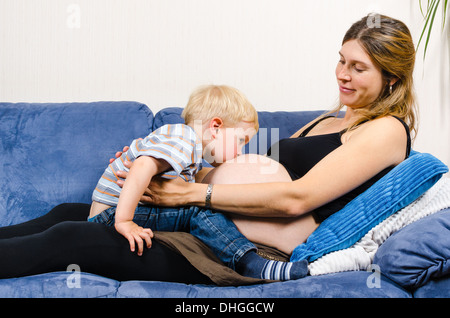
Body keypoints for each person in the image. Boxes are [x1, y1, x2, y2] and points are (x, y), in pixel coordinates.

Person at [0, 14, 417, 285]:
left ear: (393, 79)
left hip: (236, 247)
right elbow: (242, 166)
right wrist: (149, 164)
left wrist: (194, 193)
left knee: (74, 237)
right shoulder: (329, 119)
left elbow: (299, 197)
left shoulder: (385, 131)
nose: (342, 75)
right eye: (341, 60)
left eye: (358, 68)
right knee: (67, 213)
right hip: (202, 217)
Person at [88, 84, 308, 280]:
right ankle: (249, 263)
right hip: (111, 215)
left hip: (108, 212)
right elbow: (142, 166)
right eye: (241, 140)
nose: (241, 151)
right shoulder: (185, 140)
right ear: (215, 127)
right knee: (200, 210)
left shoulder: (183, 144)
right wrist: (124, 221)